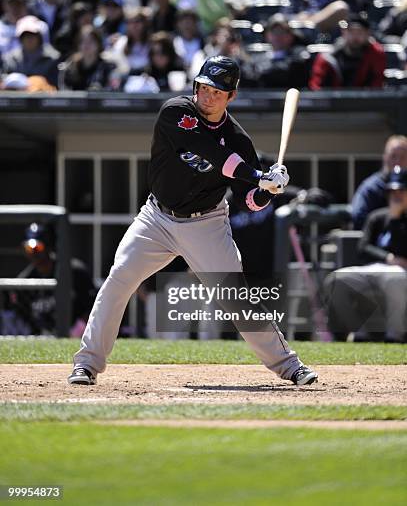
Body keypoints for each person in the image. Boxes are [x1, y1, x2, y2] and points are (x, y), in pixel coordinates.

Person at [67, 55, 318, 387]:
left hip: (206, 223)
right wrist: (258, 175)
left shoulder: (240, 140)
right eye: (203, 87)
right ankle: (86, 364)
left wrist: (271, 188)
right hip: (156, 218)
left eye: (217, 91)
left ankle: (289, 366)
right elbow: (214, 154)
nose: (207, 95)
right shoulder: (176, 112)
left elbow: (250, 201)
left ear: (231, 97)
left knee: (236, 297)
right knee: (119, 280)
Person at [325, 166, 407, 343]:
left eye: (401, 190)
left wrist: (396, 219)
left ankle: (395, 334)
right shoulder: (377, 217)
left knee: (396, 278)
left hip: (401, 272)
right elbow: (363, 248)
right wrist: (388, 258)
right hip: (374, 268)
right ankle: (356, 332)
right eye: (392, 191)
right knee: (336, 279)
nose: (396, 195)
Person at [3, 223, 96, 337]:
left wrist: (78, 329)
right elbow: (23, 316)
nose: (34, 253)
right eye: (29, 248)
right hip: (44, 335)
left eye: (38, 248)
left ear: (48, 247)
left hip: (80, 334)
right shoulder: (25, 281)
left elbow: (93, 306)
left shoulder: (75, 272)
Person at [309, 12, 386, 89]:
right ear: (344, 32)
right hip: (334, 99)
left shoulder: (376, 53)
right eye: (351, 32)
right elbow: (316, 87)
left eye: (360, 32)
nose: (355, 37)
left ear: (367, 34)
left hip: (364, 99)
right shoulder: (327, 58)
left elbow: (377, 86)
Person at [352, 135, 407, 230]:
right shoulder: (372, 187)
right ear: (385, 157)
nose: (398, 161)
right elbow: (359, 217)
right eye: (393, 156)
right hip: (378, 240)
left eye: (403, 157)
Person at [2, 15, 59, 87]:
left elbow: (56, 87)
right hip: (16, 98)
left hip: (44, 97)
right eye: (25, 35)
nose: (29, 39)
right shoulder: (10, 59)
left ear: (39, 37)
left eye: (33, 35)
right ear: (20, 38)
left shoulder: (53, 58)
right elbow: (5, 83)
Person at [256, 13, 311, 88]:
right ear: (266, 35)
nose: (278, 36)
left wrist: (263, 70)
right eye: (274, 31)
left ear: (291, 35)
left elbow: (289, 74)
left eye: (283, 31)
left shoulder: (299, 56)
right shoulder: (257, 59)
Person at [62, 25, 122, 91]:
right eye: (83, 41)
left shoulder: (108, 68)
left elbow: (113, 89)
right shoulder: (71, 67)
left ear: (98, 44)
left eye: (91, 41)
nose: (86, 44)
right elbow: (66, 92)